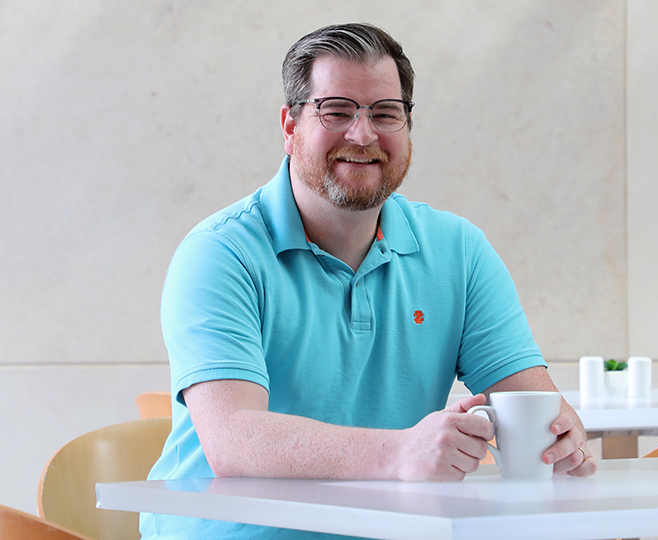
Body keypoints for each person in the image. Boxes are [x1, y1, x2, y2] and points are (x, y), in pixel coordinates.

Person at [142, 22, 596, 539]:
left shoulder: (458, 250)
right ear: (290, 126)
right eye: (336, 111)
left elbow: (533, 402)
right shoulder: (221, 253)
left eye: (385, 113)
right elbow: (234, 440)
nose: (363, 134)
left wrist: (560, 435)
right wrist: (402, 452)